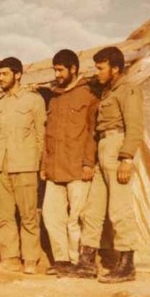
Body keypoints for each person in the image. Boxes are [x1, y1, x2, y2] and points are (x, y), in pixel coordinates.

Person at [76, 46, 143, 283]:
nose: (98, 72)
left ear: (115, 68)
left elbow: (135, 126)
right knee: (93, 209)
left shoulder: (128, 90)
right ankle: (86, 262)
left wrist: (127, 158)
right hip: (104, 147)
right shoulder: (108, 92)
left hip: (117, 147)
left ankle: (127, 265)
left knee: (119, 209)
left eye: (101, 68)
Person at [41, 49, 99, 276]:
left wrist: (88, 163)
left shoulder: (89, 95)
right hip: (55, 168)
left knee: (77, 218)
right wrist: (45, 165)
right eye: (54, 70)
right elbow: (48, 135)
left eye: (60, 70)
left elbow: (93, 132)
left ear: (73, 69)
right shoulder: (54, 98)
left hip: (77, 167)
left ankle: (79, 263)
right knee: (51, 215)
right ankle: (62, 260)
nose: (57, 75)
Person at [0, 57, 45, 274]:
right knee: (2, 215)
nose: (0, 78)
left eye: (5, 74)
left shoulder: (33, 101)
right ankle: (10, 257)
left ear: (18, 74)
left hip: (25, 165)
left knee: (28, 214)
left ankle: (30, 258)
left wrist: (38, 163)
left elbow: (41, 135)